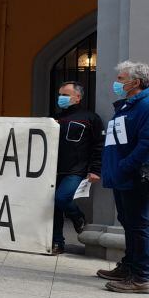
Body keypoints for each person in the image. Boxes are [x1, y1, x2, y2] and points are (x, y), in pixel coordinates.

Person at [99, 61, 149, 294]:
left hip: (134, 176)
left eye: (120, 79)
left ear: (135, 82)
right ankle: (128, 267)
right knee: (128, 222)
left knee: (138, 225)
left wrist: (125, 166)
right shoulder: (128, 105)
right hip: (122, 175)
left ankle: (140, 278)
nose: (117, 83)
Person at [50, 81, 103, 255]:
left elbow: (99, 145)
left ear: (77, 97)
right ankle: (57, 242)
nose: (61, 98)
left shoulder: (90, 118)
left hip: (76, 170)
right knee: (54, 208)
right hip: (52, 170)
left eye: (65, 95)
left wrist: (96, 170)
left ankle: (78, 217)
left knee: (62, 198)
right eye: (60, 95)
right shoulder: (55, 119)